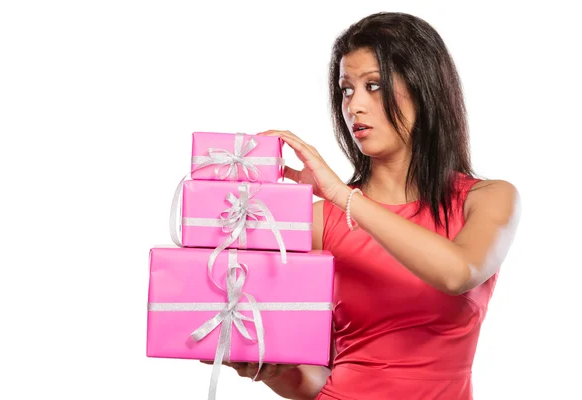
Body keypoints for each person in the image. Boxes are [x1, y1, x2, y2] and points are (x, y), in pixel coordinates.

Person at [202, 11, 521, 399]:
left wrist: (342, 195)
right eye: (347, 89)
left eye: (374, 85)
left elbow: (458, 273)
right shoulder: (319, 223)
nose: (354, 106)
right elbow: (321, 377)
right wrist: (270, 373)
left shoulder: (487, 199)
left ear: (425, 88)